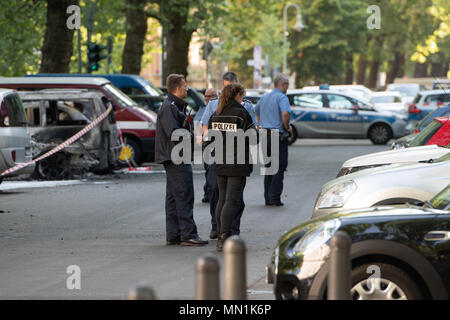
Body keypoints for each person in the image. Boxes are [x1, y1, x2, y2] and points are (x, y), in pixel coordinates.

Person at [201, 72, 257, 240]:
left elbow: (209, 137)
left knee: (222, 200)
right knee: (232, 201)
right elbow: (253, 138)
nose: (242, 99)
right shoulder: (241, 113)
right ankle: (225, 235)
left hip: (220, 162)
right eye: (241, 96)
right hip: (236, 162)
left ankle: (218, 231)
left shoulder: (216, 114)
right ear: (236, 95)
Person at [155, 74, 208, 246]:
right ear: (177, 88)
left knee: (173, 196)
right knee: (185, 193)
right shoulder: (170, 107)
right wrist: (194, 136)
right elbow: (174, 133)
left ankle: (174, 234)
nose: (187, 89)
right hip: (176, 156)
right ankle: (188, 234)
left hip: (173, 155)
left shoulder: (172, 105)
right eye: (185, 86)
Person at [255, 74, 291, 206]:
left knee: (269, 167)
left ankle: (268, 198)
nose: (288, 86)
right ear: (283, 84)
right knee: (278, 167)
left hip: (265, 135)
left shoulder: (264, 97)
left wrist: (261, 124)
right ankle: (274, 197)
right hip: (277, 135)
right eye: (287, 84)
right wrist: (287, 126)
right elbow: (285, 113)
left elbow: (256, 110)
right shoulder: (282, 97)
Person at [194, 88, 218, 203]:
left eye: (210, 96)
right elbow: (197, 123)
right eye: (206, 96)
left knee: (212, 169)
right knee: (208, 169)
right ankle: (208, 192)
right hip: (206, 143)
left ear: (216, 96)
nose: (207, 98)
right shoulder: (203, 108)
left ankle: (210, 192)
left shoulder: (218, 106)